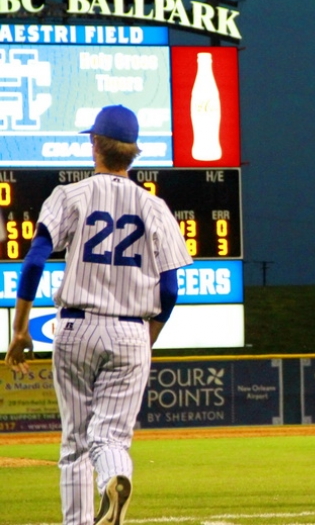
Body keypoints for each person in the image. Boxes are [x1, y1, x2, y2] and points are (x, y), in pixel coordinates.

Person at [3, 105, 193, 525]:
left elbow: (34, 262)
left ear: (95, 144)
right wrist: (151, 335)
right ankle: (115, 475)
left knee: (74, 443)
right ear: (134, 152)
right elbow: (171, 288)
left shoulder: (69, 195)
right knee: (109, 438)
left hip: (74, 326)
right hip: (131, 330)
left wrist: (19, 329)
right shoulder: (155, 207)